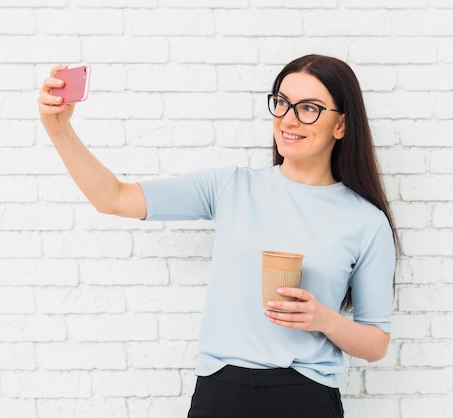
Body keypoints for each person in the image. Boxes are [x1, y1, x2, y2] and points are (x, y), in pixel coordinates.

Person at [38, 54, 398, 418]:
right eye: (282, 103)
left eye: (309, 108)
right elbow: (113, 198)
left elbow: (376, 343)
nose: (289, 118)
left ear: (341, 125)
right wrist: (58, 129)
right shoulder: (230, 187)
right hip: (221, 393)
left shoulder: (365, 222)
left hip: (305, 397)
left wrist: (324, 319)